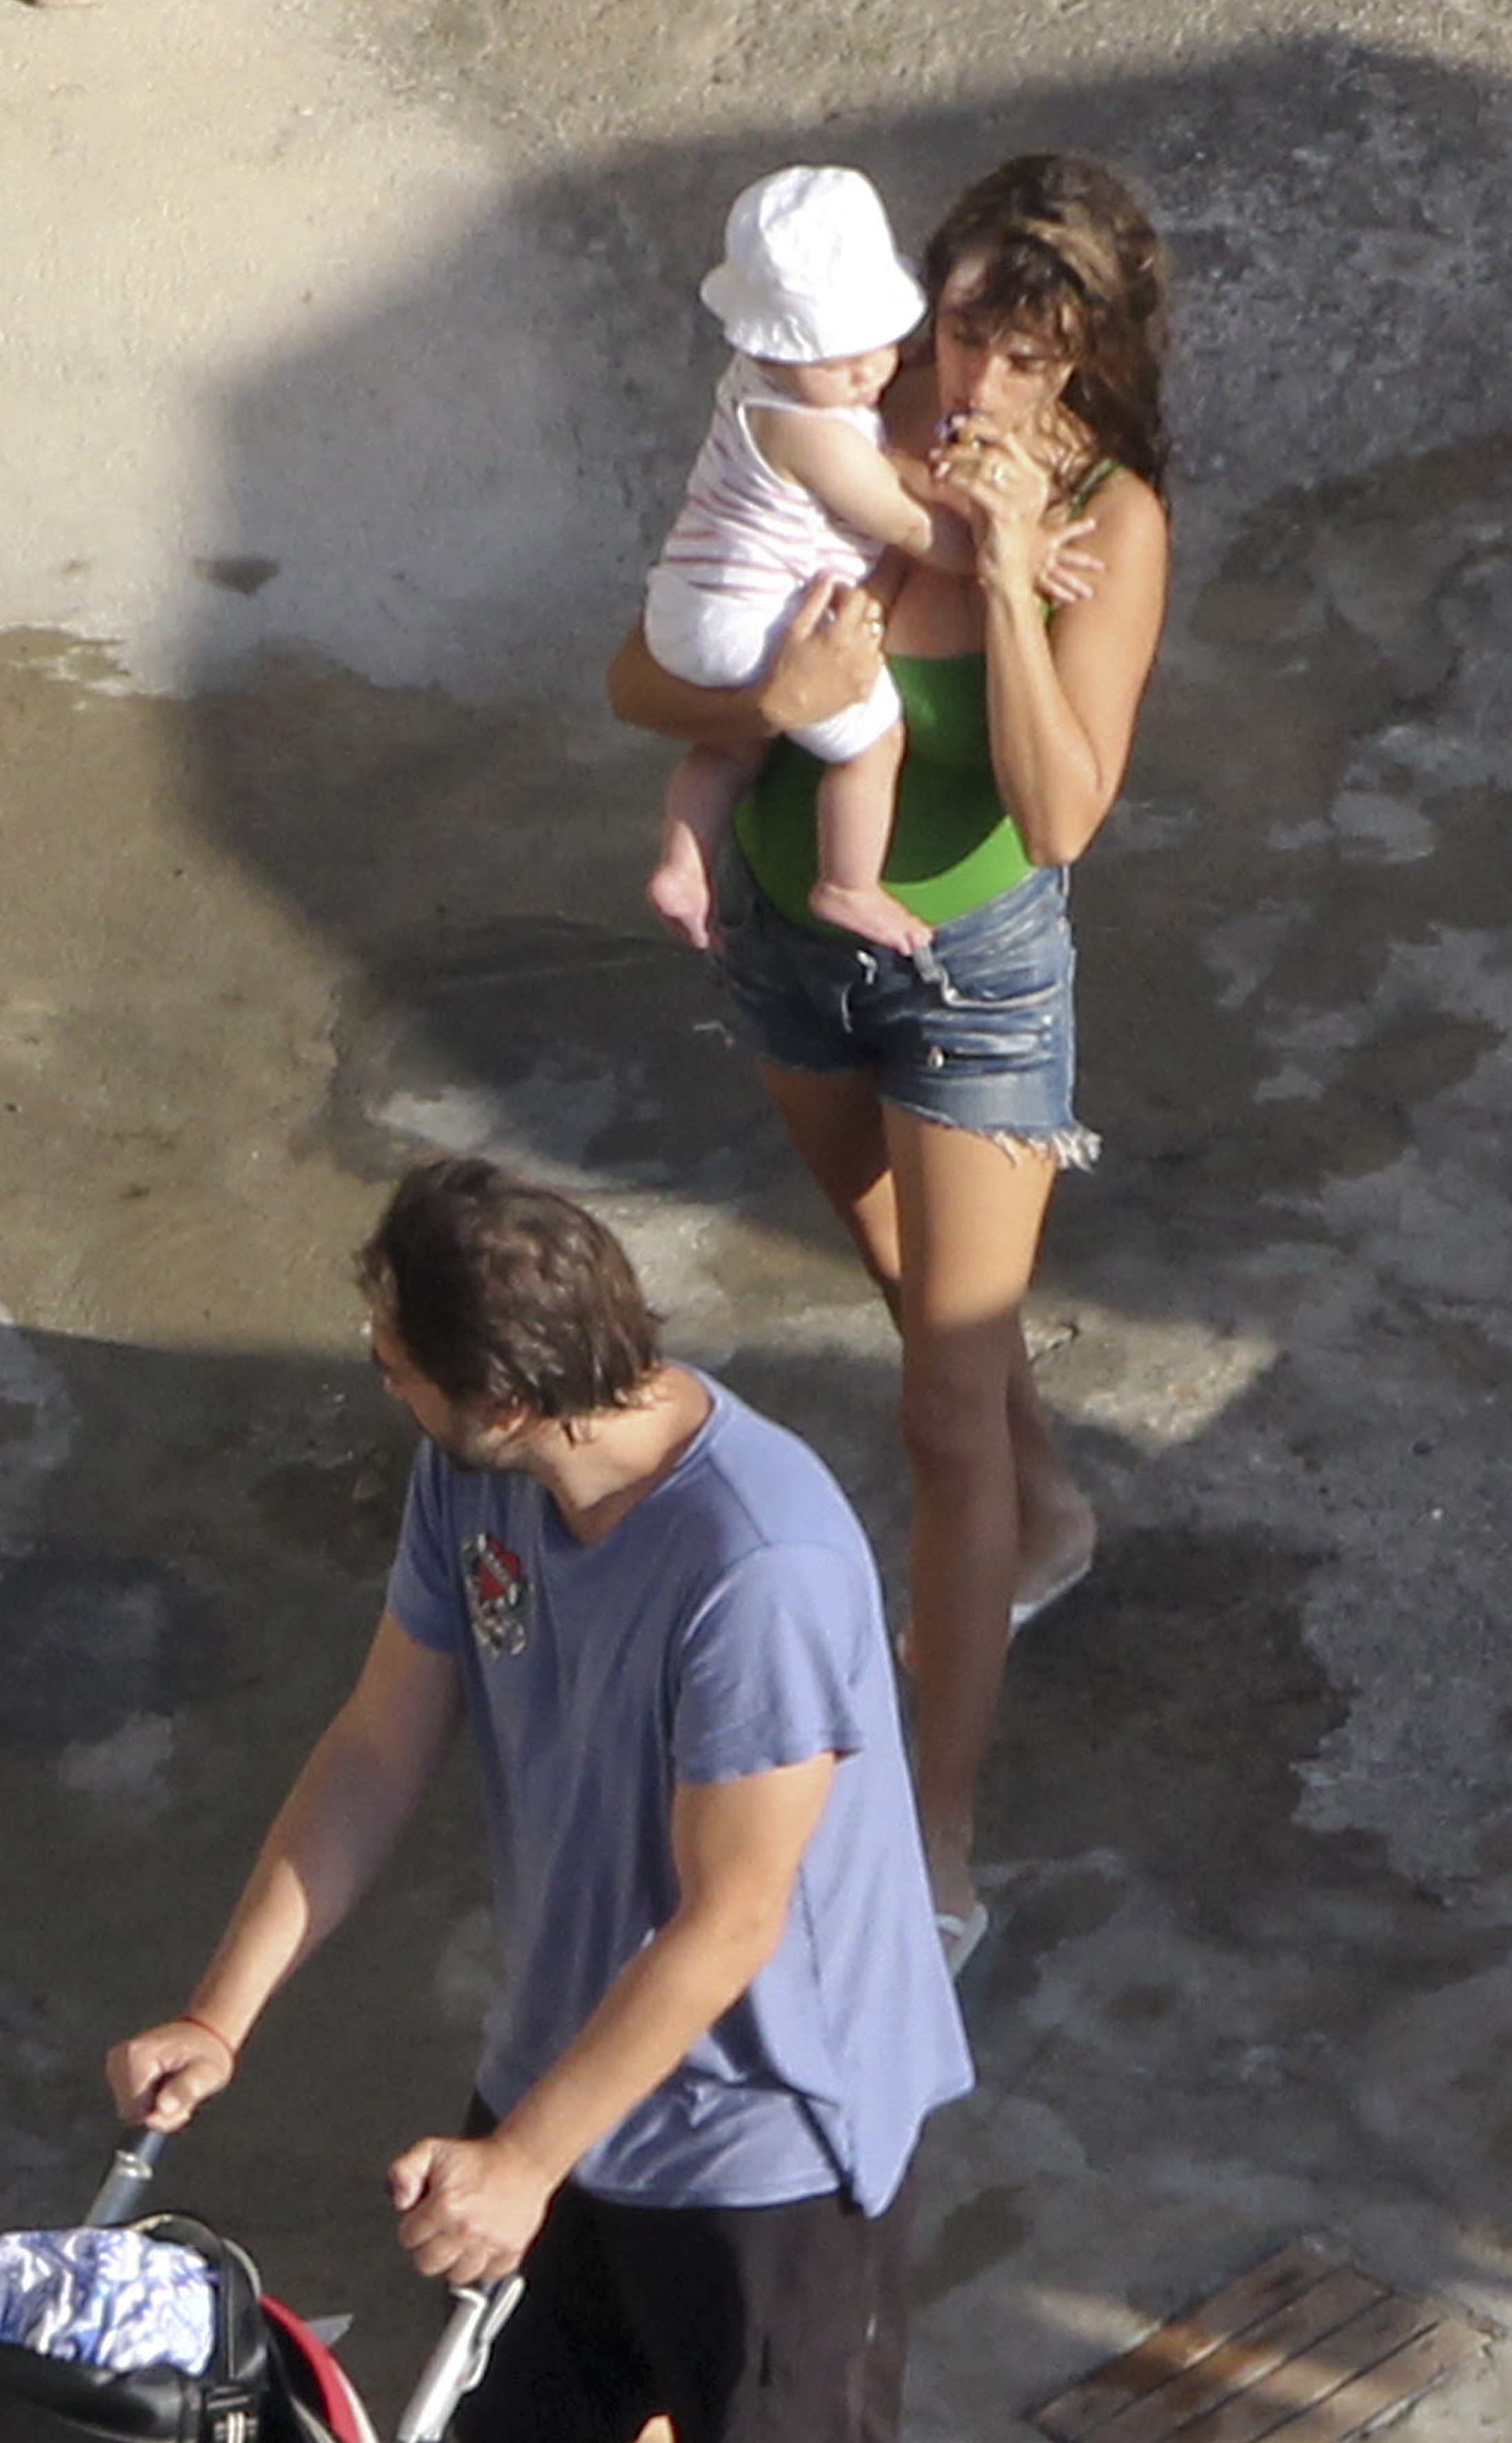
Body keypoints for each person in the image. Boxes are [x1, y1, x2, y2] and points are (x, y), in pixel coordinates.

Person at [105, 1156, 971, 2443]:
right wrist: (217, 2015)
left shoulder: (757, 1562)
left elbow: (730, 1917)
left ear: (507, 1397)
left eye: (395, 1360)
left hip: (761, 2150)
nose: (381, 1377)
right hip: (564, 2080)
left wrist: (524, 2163)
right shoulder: (474, 1477)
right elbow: (376, 1745)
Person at [608, 154, 1171, 1975]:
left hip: (977, 983)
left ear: (1089, 362)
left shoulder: (1108, 520)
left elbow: (1061, 807)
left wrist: (1006, 578)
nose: (972, 387)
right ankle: (1053, 1505)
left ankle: (932, 1826)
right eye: (956, 333)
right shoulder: (827, 427)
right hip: (792, 947)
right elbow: (639, 678)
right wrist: (754, 714)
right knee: (905, 1282)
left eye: (1024, 356)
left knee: (939, 1401)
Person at [645, 163, 972, 961]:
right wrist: (994, 544)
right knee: (872, 743)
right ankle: (847, 884)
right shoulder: (815, 433)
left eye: (876, 348)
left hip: (689, 595)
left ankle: (683, 866)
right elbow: (906, 524)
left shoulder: (753, 387)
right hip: (747, 619)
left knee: (731, 746)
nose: (865, 372)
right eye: (834, 360)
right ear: (772, 350)